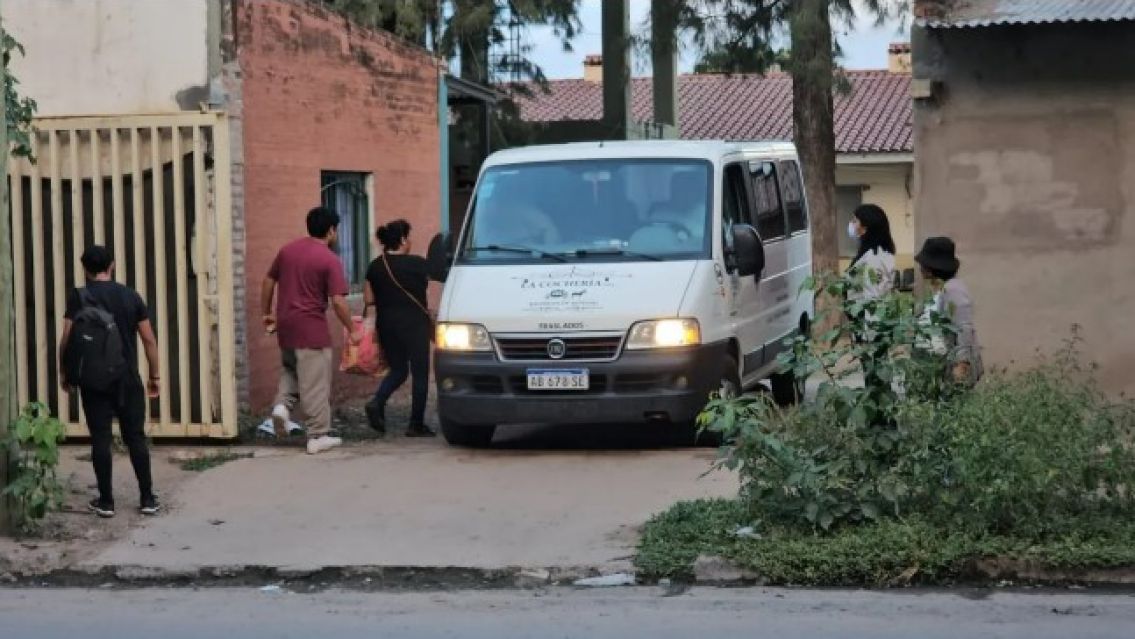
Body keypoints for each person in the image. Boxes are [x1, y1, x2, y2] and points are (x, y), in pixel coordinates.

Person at [58, 245, 161, 518]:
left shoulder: (79, 297)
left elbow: (66, 338)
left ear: (85, 269)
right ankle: (147, 498)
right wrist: (154, 375)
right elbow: (149, 339)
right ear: (112, 266)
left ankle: (106, 502)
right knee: (135, 437)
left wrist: (65, 372)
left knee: (100, 439)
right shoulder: (130, 296)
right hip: (126, 377)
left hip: (93, 381)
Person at [262, 207, 361, 455]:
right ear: (331, 230)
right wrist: (352, 329)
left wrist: (267, 313)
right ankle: (318, 435)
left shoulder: (287, 251)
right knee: (315, 382)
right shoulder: (329, 259)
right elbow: (338, 302)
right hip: (311, 328)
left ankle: (281, 409)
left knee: (291, 370)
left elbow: (268, 281)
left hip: (286, 325)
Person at [363, 220, 435, 437]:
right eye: (408, 237)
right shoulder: (418, 264)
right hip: (414, 325)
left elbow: (368, 299)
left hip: (386, 325)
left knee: (399, 370)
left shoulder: (375, 266)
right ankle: (416, 424)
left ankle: (377, 402)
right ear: (403, 240)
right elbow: (436, 276)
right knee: (420, 373)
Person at [914, 236, 984, 387]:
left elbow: (964, 327)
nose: (920, 267)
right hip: (935, 367)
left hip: (951, 369)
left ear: (931, 268)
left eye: (923, 264)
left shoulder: (954, 290)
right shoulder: (936, 290)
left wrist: (961, 364)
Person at [846, 203, 897, 304]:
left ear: (865, 228)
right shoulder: (873, 252)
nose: (851, 224)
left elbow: (873, 298)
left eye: (855, 221)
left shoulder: (874, 257)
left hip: (866, 316)